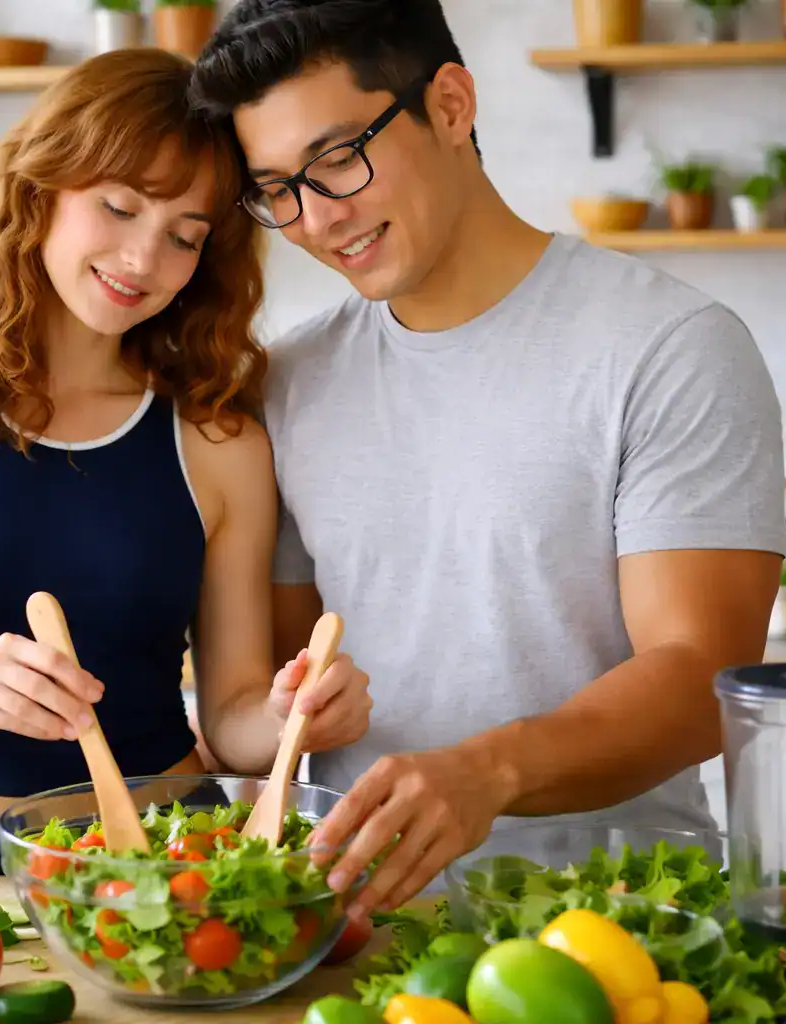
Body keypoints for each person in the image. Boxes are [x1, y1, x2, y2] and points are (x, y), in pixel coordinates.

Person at [189, 0, 786, 918]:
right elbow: (277, 688)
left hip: (617, 925)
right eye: (276, 189)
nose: (313, 219)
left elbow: (701, 674)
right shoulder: (290, 380)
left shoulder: (670, 346)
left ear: (454, 105)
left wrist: (487, 773)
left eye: (338, 159)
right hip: (355, 924)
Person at [0, 48, 371, 875]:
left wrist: (289, 717)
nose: (144, 260)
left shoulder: (217, 441)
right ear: (42, 190)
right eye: (120, 207)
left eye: (184, 236)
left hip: (172, 860)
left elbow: (233, 713)